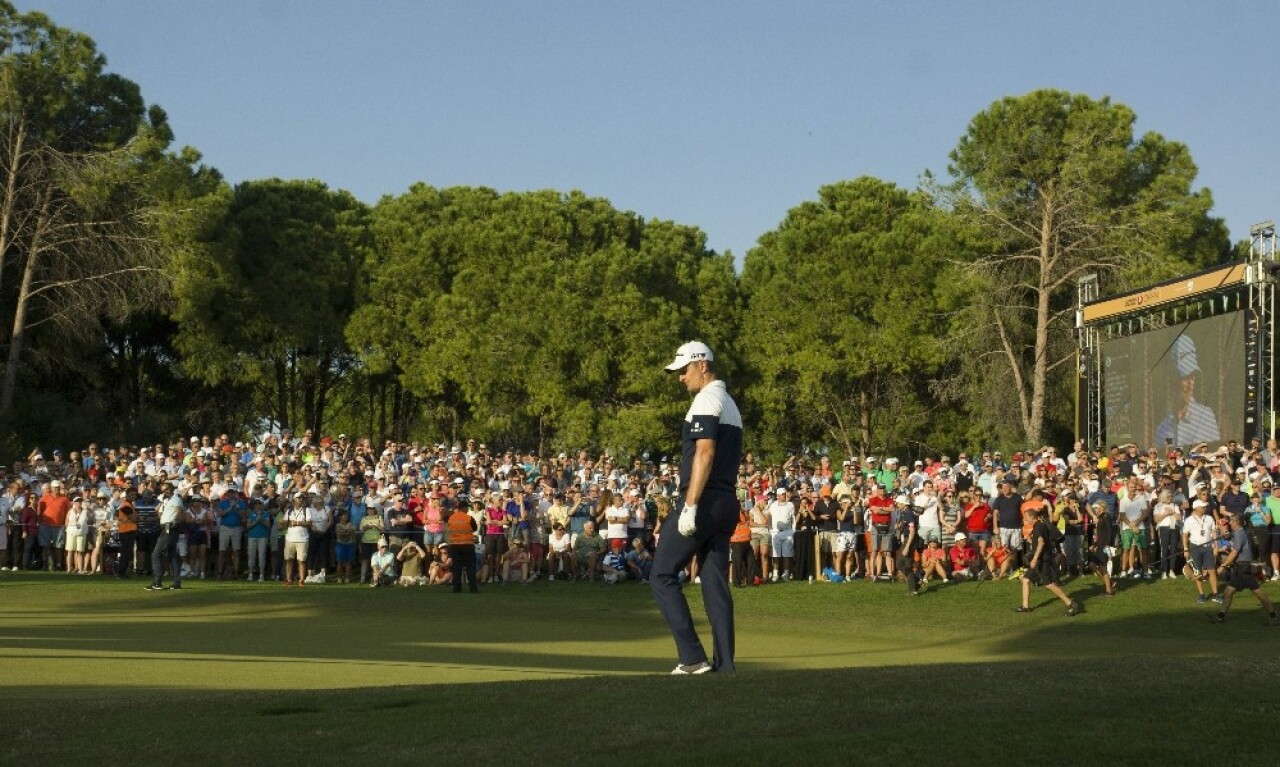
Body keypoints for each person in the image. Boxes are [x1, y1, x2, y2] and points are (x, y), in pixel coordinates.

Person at [651, 340, 743, 675]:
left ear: (702, 364)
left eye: (684, 370)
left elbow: (705, 452)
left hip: (703, 500)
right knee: (714, 582)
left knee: (661, 574)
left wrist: (689, 505)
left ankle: (692, 658)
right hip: (725, 502)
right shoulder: (729, 402)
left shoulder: (706, 399)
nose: (680, 378)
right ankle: (725, 665)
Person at [1208, 514, 1278, 624]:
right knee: (1229, 592)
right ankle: (1220, 617)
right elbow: (1230, 537)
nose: (1229, 523)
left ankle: (1273, 617)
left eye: (1231, 521)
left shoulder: (1240, 534)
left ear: (1236, 523)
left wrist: (1223, 565)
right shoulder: (1237, 533)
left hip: (1242, 568)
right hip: (1240, 568)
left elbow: (1234, 552)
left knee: (1257, 593)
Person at [1155, 334, 1220, 447]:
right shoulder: (1162, 429)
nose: (1191, 384)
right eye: (1185, 377)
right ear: (1173, 378)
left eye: (1193, 376)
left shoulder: (1206, 417)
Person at [1015, 504, 1081, 616]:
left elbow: (1041, 542)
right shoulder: (1038, 526)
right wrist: (1031, 541)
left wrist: (1035, 558)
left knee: (1049, 584)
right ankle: (1025, 606)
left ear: (1032, 517)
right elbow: (1041, 541)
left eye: (1025, 517)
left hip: (1042, 560)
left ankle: (1070, 603)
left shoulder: (1039, 527)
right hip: (1041, 559)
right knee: (1025, 579)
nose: (1024, 519)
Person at [1181, 499, 1220, 604]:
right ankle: (1201, 594)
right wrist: (1185, 549)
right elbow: (1185, 535)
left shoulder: (1209, 518)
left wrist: (1216, 546)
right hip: (1195, 548)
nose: (1205, 508)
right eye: (1203, 507)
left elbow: (1213, 532)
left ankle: (1215, 594)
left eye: (1205, 506)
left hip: (1208, 547)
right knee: (1197, 572)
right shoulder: (1189, 520)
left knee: (1212, 571)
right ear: (1196, 508)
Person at [146, 486, 185, 591]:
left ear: (172, 489)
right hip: (165, 527)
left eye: (167, 489)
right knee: (172, 555)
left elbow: (179, 512)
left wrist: (175, 522)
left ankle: (157, 582)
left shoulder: (176, 498)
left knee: (156, 554)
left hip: (169, 528)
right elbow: (163, 517)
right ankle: (176, 583)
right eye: (163, 489)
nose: (165, 491)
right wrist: (158, 512)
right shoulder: (166, 501)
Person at [446, 500, 479, 593]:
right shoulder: (469, 518)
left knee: (457, 568)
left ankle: (456, 589)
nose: (468, 509)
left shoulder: (451, 518)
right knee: (470, 568)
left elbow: (449, 528)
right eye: (467, 508)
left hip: (455, 546)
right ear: (464, 508)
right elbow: (475, 528)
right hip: (467, 545)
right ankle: (473, 589)